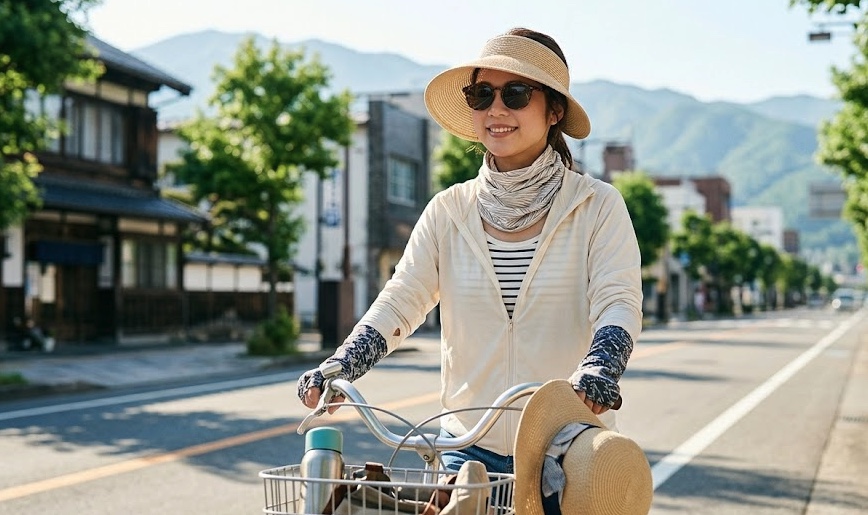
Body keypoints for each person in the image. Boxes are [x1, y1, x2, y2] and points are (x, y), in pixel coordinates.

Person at [298, 27, 643, 512]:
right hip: (464, 446)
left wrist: (602, 366)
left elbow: (618, 300)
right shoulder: (448, 210)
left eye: (516, 94)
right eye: (482, 95)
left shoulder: (597, 206)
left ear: (554, 110)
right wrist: (343, 363)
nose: (496, 110)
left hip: (566, 447)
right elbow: (403, 297)